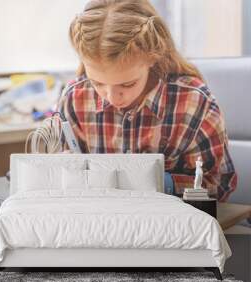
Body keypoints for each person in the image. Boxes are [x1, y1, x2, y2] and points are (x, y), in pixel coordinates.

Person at [58, 0, 237, 201]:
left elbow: (219, 185)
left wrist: (160, 182)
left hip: (171, 225)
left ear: (153, 57)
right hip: (98, 222)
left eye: (127, 84)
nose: (111, 97)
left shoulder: (193, 102)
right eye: (98, 83)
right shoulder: (74, 98)